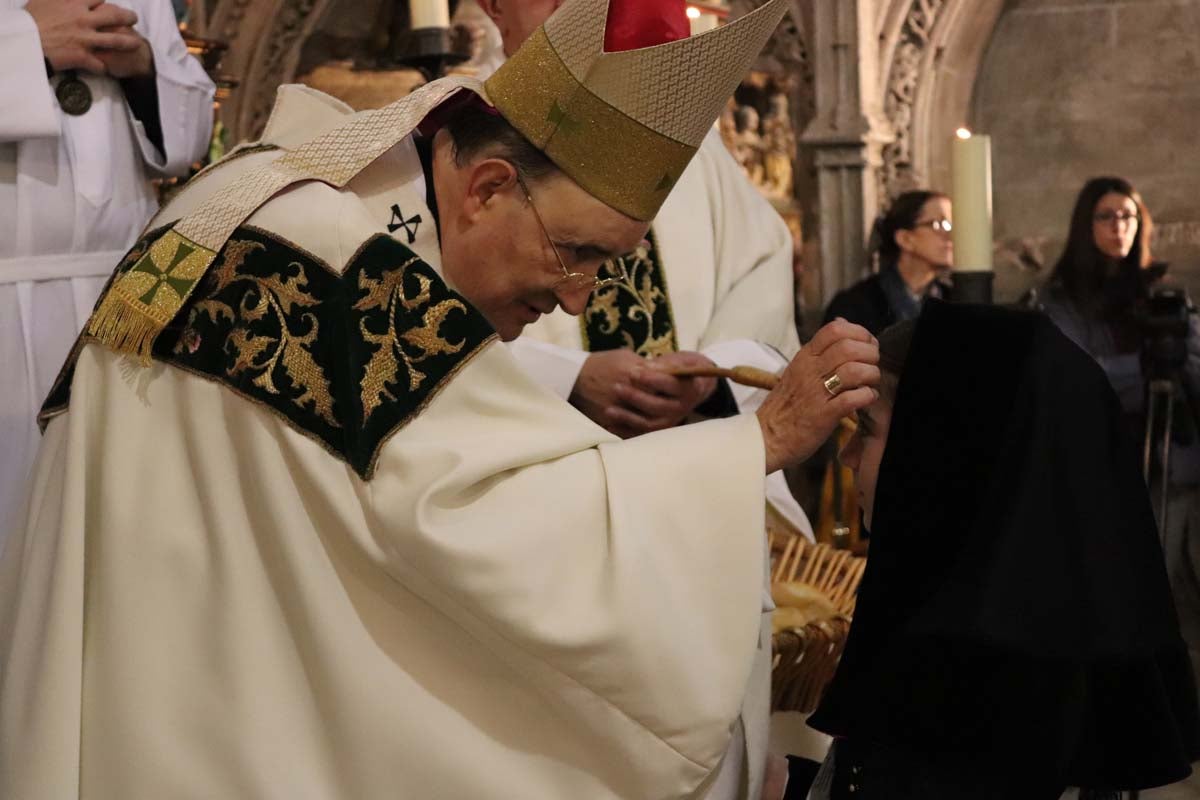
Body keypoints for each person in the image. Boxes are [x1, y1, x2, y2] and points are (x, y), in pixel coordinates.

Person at [0, 1, 882, 798]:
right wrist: (750, 447)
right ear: (490, 186)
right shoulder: (335, 262)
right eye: (576, 251)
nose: (578, 298)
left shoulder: (293, 192)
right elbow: (483, 521)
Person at [803, 302, 1200, 799]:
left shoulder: (977, 698)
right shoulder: (1034, 635)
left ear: (941, 456)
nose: (846, 457)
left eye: (867, 429)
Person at [473, 0, 810, 540]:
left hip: (697, 478)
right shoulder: (459, 132)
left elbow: (760, 280)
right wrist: (569, 379)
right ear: (494, 6)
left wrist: (707, 377)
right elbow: (415, 327)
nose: (582, 10)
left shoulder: (690, 144)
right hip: (535, 499)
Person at [0, 0, 214, 547]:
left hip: (120, 290)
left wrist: (142, 67)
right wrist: (27, 44)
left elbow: (185, 139)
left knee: (118, 542)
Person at [823, 190, 953, 335]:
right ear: (905, 239)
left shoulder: (954, 299)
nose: (950, 235)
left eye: (951, 225)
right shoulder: (854, 306)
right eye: (939, 224)